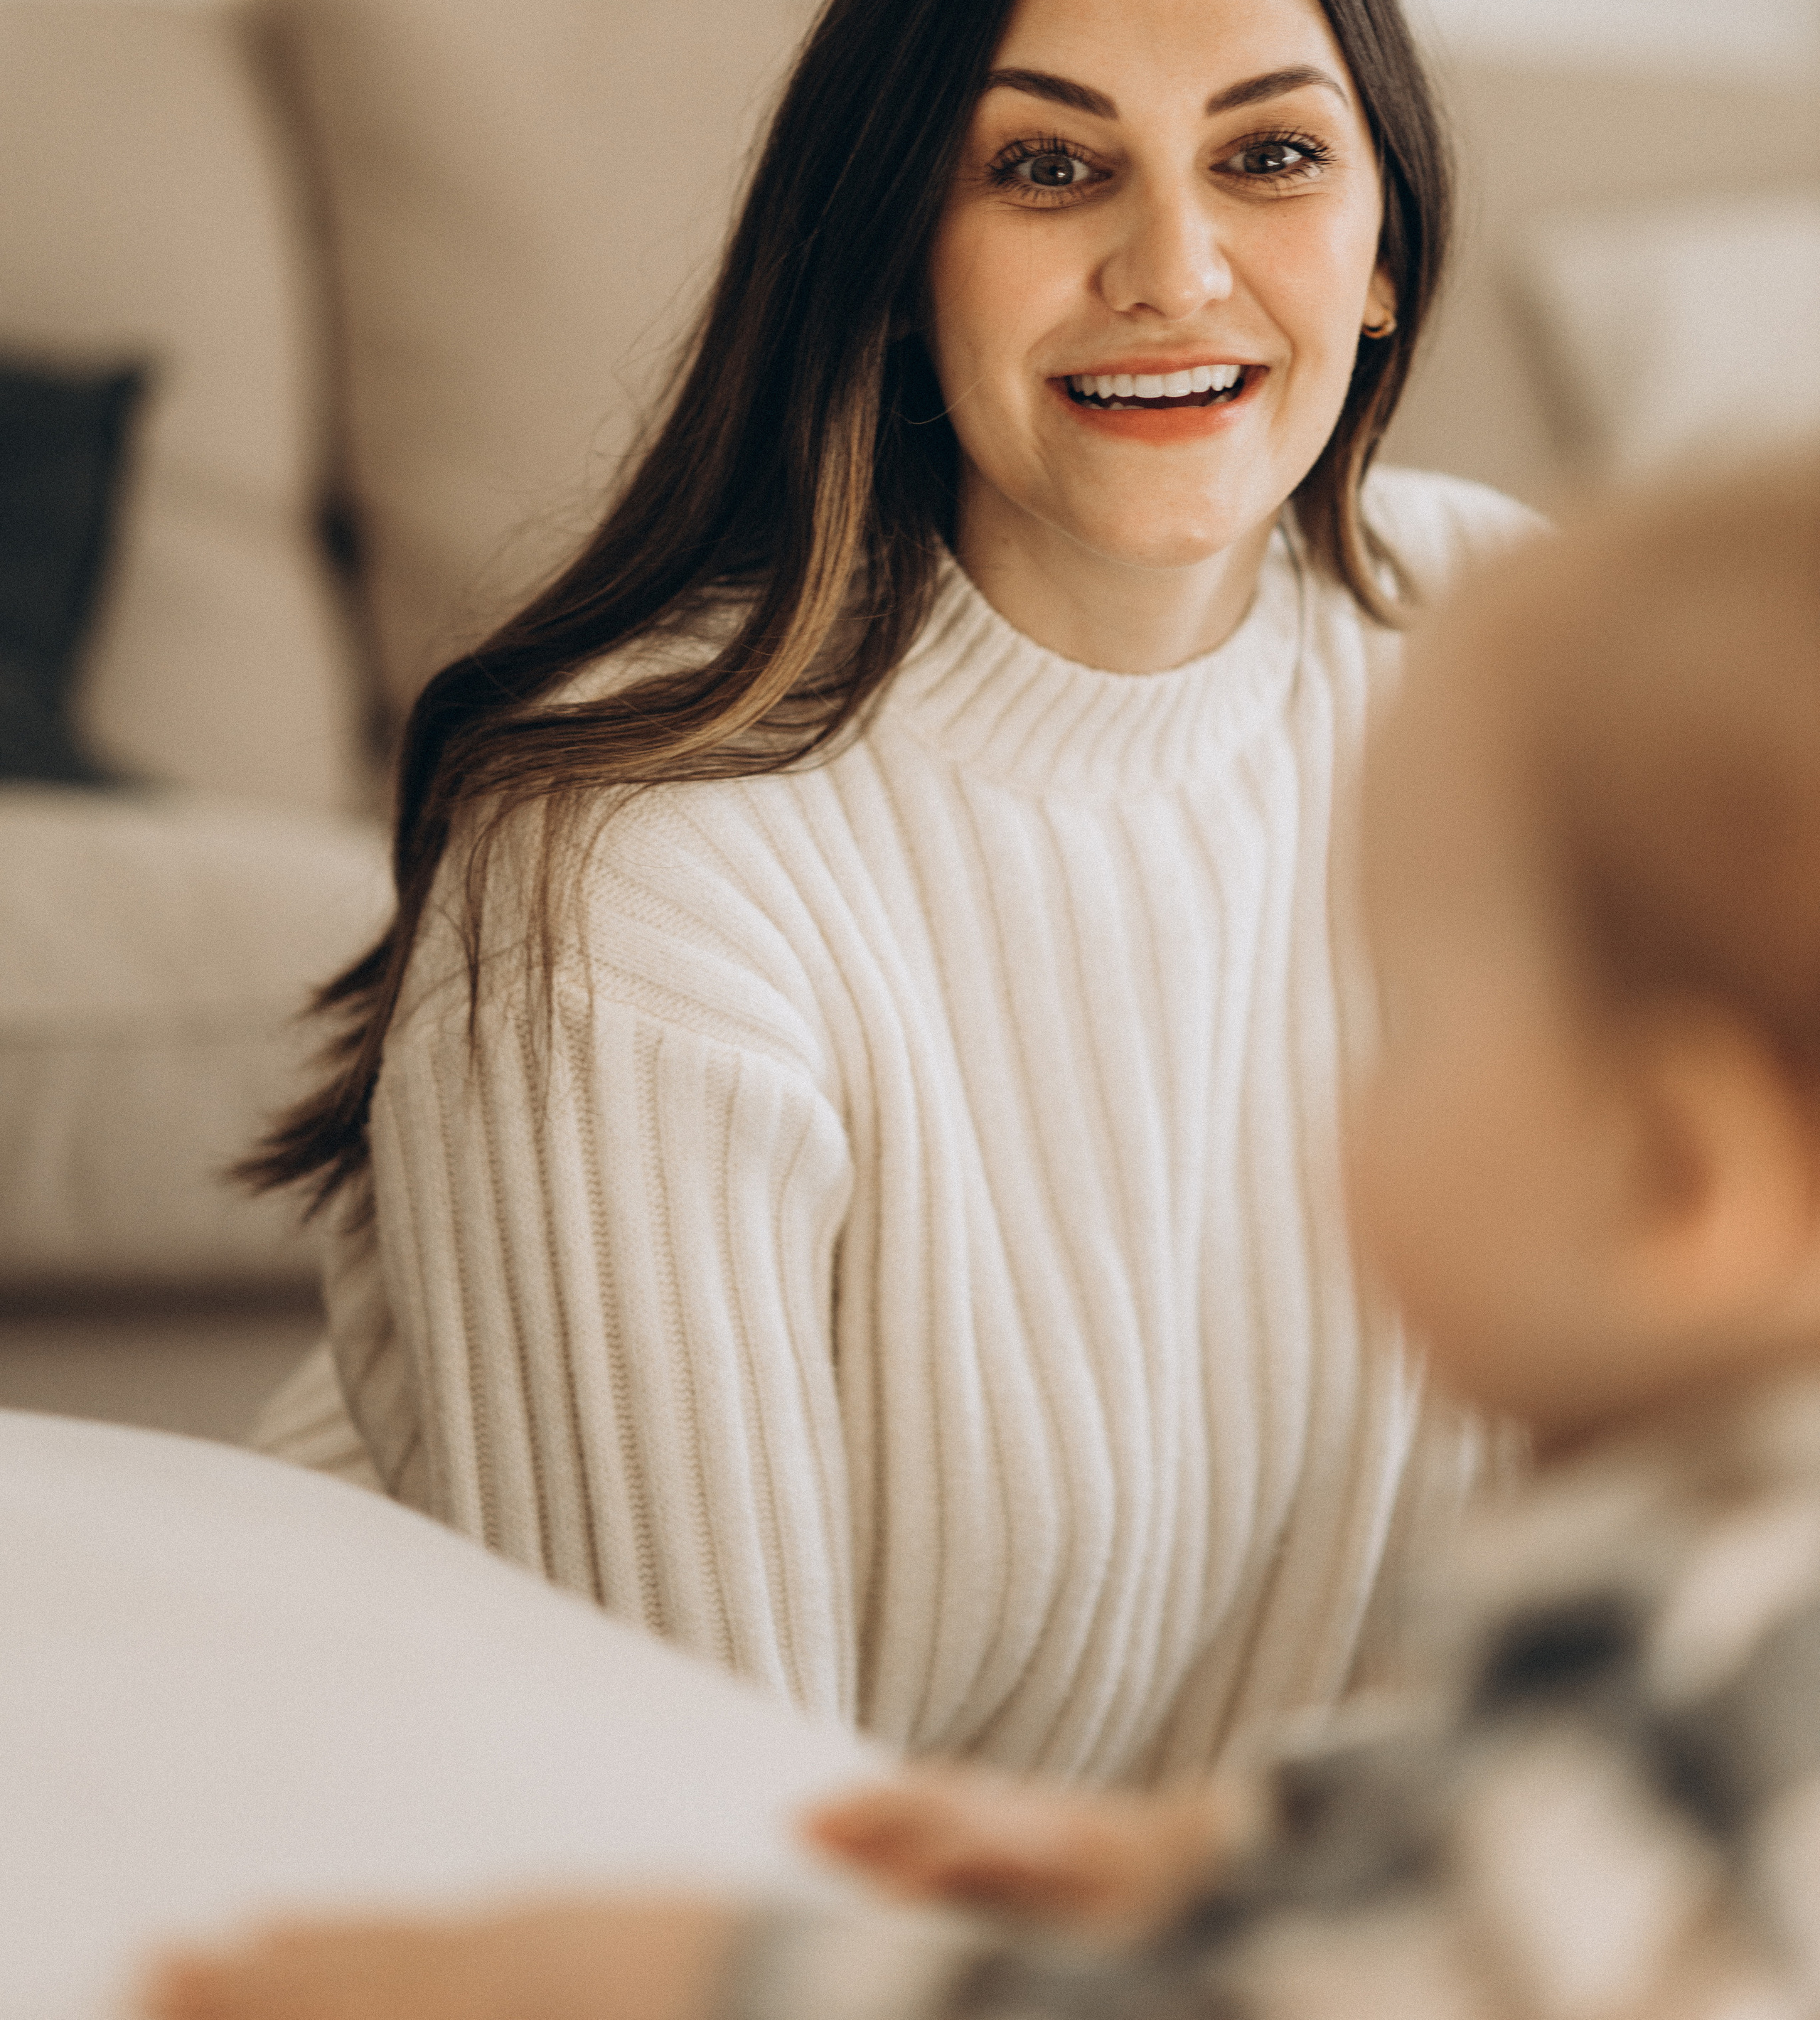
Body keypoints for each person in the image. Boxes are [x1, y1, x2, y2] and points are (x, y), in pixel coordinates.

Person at [151, 446, 1820, 2020]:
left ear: (1671, 1176)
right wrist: (1209, 1853)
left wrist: (699, 1980)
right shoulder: (1711, 1563)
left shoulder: (1713, 1618)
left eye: (1417, 1023)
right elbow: (1534, 1796)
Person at [252, 0, 1530, 1773]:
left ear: (1384, 247)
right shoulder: (634, 875)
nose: (1176, 268)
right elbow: (685, 1856)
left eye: (1271, 158)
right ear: (891, 253)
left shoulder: (1507, 659)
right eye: (1047, 167)